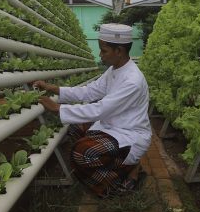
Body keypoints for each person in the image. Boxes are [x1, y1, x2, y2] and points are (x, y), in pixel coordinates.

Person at [34, 23, 151, 197]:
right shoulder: (114, 70)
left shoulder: (132, 81)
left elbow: (101, 109)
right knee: (74, 128)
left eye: (104, 51)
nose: (100, 55)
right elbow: (90, 91)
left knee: (81, 154)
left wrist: (58, 109)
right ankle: (121, 165)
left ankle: (120, 182)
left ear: (118, 51)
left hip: (129, 133)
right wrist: (54, 89)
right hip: (112, 126)